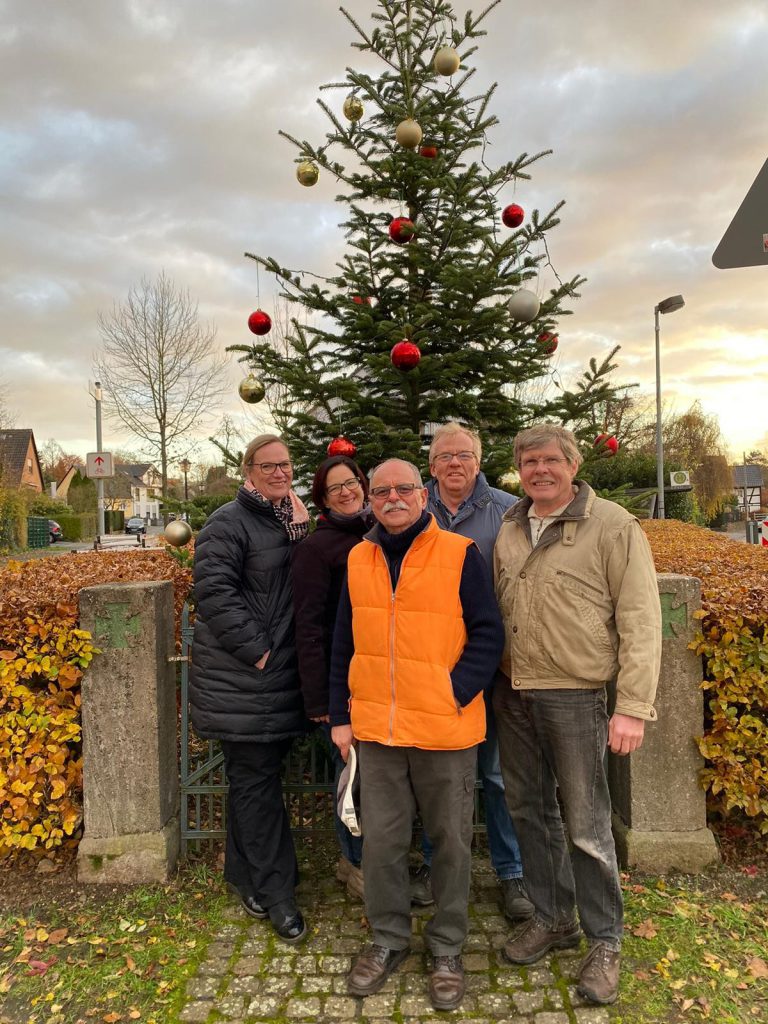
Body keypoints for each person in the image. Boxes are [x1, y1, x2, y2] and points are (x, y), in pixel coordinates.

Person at [492, 424, 661, 1005]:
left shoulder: (613, 525)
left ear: (572, 464)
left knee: (587, 826)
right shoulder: (511, 526)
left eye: (550, 460)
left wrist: (633, 708)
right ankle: (552, 917)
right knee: (529, 813)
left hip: (576, 695)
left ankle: (605, 940)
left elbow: (640, 619)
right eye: (529, 461)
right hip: (514, 692)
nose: (539, 470)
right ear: (519, 468)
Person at [329, 459, 505, 1011]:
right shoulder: (360, 558)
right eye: (381, 491)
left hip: (446, 731)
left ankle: (448, 946)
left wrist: (452, 692)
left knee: (451, 842)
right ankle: (387, 938)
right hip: (378, 731)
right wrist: (341, 715)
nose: (393, 498)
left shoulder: (459, 554)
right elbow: (343, 643)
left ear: (422, 494)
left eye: (404, 488)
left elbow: (488, 634)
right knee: (381, 843)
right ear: (371, 500)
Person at [410, 422, 533, 922]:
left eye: (463, 454)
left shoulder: (506, 511)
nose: (454, 463)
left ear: (478, 460)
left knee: (500, 776)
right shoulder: (416, 509)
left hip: (496, 664)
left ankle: (512, 873)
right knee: (433, 776)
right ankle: (431, 865)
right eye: (444, 456)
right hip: (433, 666)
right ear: (432, 464)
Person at [190, 434, 310, 945]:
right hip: (246, 679)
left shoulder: (289, 521)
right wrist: (258, 650)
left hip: (276, 679)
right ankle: (278, 892)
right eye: (269, 466)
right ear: (248, 471)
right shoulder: (228, 522)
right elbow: (213, 591)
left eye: (285, 465)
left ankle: (244, 876)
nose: (279, 473)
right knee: (257, 784)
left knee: (253, 781)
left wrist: (303, 531)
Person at [291, 454, 371, 900]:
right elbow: (309, 628)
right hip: (342, 688)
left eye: (352, 482)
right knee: (353, 779)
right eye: (334, 487)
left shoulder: (379, 534)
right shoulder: (316, 550)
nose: (347, 491)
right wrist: (321, 701)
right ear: (322, 498)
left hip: (380, 679)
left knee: (376, 781)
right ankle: (356, 864)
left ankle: (357, 859)